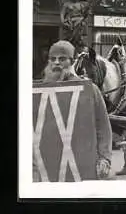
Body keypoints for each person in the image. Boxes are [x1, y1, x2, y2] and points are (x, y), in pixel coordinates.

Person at [37, 40, 112, 180]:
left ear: (72, 62)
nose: (56, 63)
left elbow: (103, 126)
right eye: (52, 59)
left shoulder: (90, 90)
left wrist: (104, 158)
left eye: (62, 59)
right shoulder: (40, 90)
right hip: (48, 165)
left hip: (82, 164)